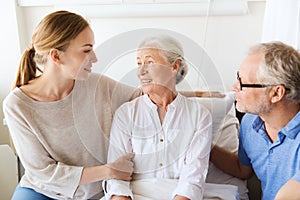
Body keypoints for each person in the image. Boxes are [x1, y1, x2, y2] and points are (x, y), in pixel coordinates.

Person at [3, 10, 222, 199]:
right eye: (87, 50)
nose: (95, 58)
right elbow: (43, 173)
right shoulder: (17, 105)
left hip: (92, 192)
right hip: (43, 191)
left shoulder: (96, 85)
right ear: (56, 56)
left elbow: (149, 93)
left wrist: (197, 94)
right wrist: (107, 171)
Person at [104, 34, 212, 200]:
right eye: (139, 63)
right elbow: (116, 175)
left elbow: (193, 177)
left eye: (149, 62)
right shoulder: (126, 114)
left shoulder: (199, 116)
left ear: (174, 66)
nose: (141, 71)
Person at [210, 41, 300, 200]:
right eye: (237, 77)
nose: (234, 86)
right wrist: (203, 143)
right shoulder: (250, 123)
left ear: (276, 93)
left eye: (243, 82)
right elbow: (242, 169)